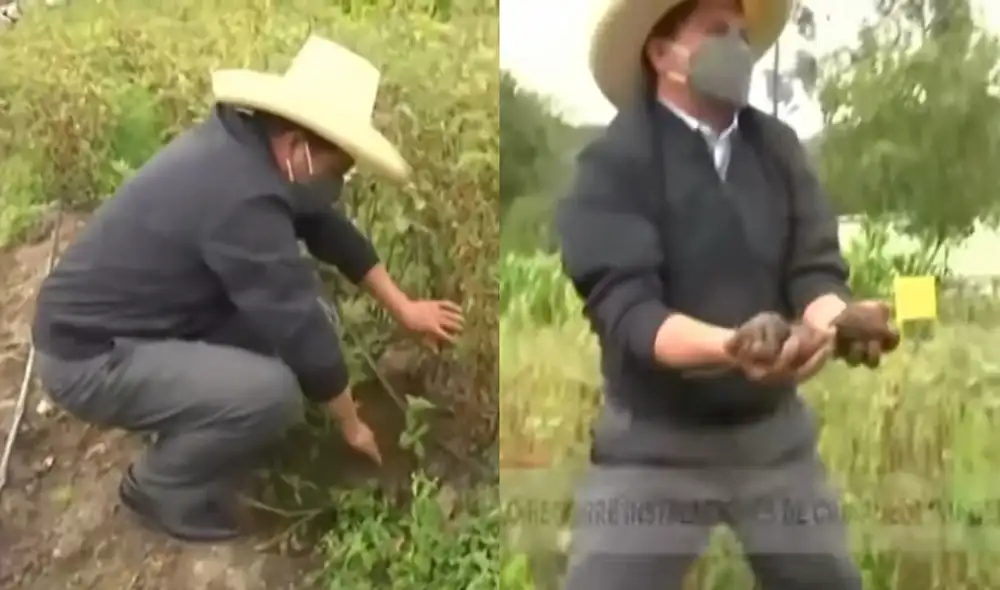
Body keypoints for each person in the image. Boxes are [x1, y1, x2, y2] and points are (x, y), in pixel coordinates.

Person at [30, 36, 464, 543]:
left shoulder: (251, 149)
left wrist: (404, 307)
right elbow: (297, 324)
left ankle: (191, 409)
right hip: (89, 357)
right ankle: (158, 485)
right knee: (274, 395)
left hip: (154, 319)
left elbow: (327, 228)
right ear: (301, 144)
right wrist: (352, 425)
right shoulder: (241, 199)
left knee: (315, 325)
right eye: (339, 167)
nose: (340, 181)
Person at [556, 0, 899, 588]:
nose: (738, 47)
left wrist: (838, 321)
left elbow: (814, 272)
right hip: (655, 444)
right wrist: (735, 347)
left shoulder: (779, 149)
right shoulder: (613, 164)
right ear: (663, 56)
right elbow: (632, 315)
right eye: (718, 32)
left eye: (742, 34)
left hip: (772, 439)